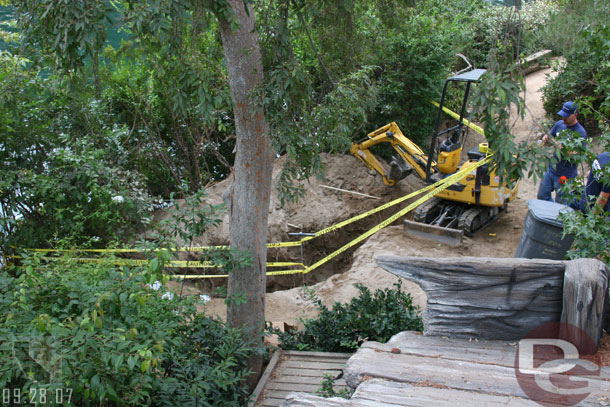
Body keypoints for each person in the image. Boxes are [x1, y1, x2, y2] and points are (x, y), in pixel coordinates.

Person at [537, 101, 587, 205]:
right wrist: (545, 139)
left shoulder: (581, 133)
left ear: (575, 115)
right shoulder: (559, 124)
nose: (564, 118)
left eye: (567, 116)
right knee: (542, 196)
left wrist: (559, 145)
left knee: (561, 204)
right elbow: (549, 139)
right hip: (551, 169)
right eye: (563, 115)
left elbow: (576, 155)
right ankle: (550, 213)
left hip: (566, 175)